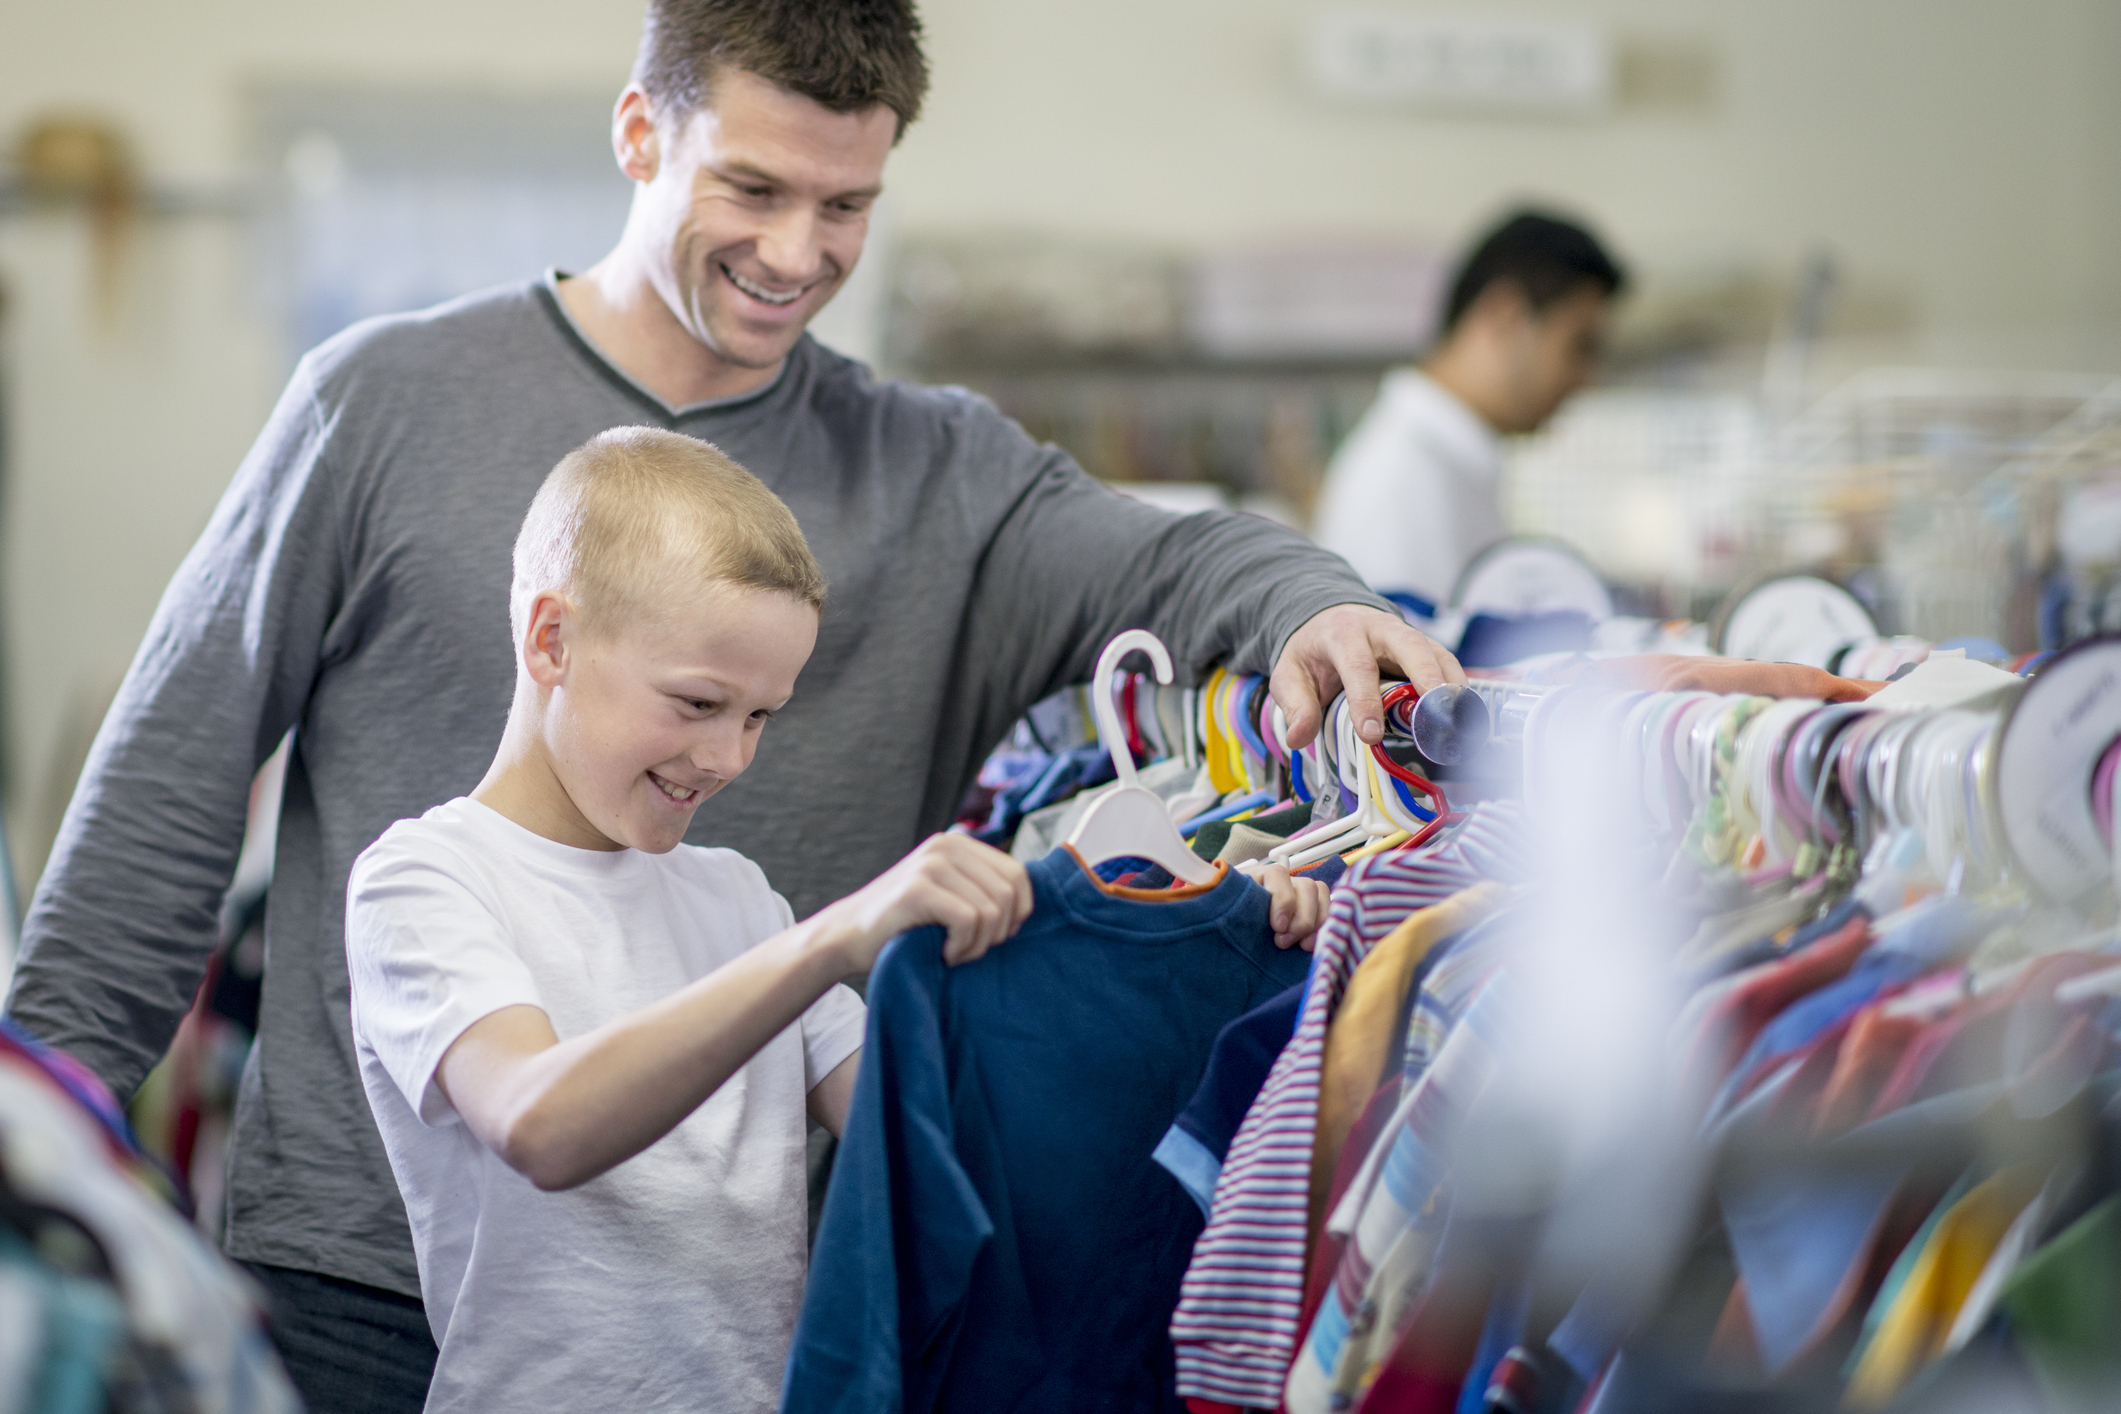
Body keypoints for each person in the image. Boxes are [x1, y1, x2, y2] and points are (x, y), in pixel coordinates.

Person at [5, 3, 1460, 1409]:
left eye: (846, 206)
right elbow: (159, 810)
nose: (795, 251)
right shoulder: (379, 402)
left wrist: (1316, 607)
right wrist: (42, 1181)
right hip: (359, 1273)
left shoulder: (940, 474)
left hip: (728, 1299)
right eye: (752, 187)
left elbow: (1178, 552)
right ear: (642, 133)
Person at [345, 427, 1331, 1412]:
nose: (729, 756)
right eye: (697, 701)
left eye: (760, 716)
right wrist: (827, 938)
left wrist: (1201, 932)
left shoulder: (735, 898)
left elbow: (953, 1126)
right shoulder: (428, 877)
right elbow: (536, 1123)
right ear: (552, 639)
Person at [1312, 209, 1628, 609]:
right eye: (1579, 347)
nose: (1587, 379)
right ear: (1506, 317)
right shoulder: (1401, 479)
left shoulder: (1450, 464)